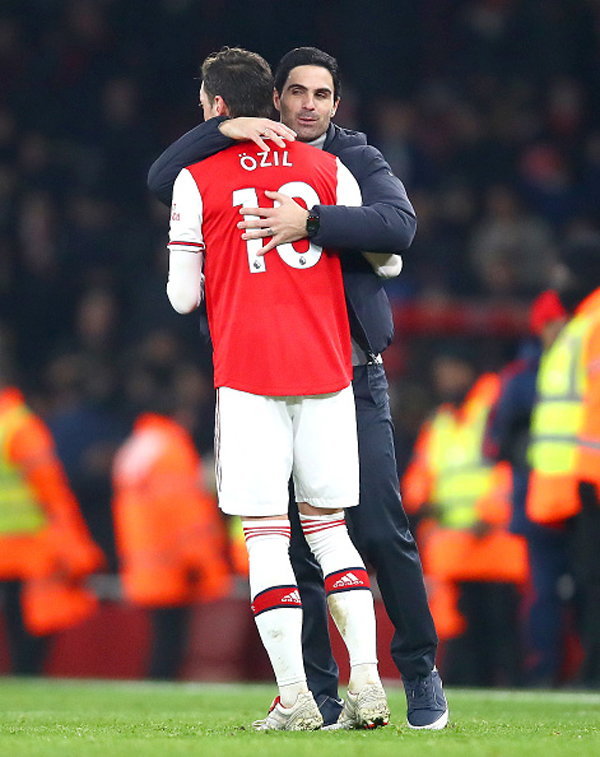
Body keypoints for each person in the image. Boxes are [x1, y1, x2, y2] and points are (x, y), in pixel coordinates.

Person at [148, 45, 447, 731]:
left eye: (322, 94)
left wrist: (309, 223)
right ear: (274, 99)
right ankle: (331, 688)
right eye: (297, 93)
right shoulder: (296, 162)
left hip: (329, 370)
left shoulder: (350, 158)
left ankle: (408, 674)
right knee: (318, 536)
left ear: (337, 103)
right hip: (318, 373)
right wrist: (224, 129)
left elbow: (399, 228)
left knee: (360, 530)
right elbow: (391, 263)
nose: (309, 105)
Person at [403, 352, 528, 687]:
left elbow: (509, 465)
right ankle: (479, 685)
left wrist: (490, 513)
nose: (445, 379)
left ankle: (512, 684)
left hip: (494, 540)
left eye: (450, 370)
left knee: (501, 626)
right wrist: (418, 502)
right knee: (463, 632)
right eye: (440, 372)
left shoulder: (493, 408)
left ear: (467, 370)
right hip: (454, 549)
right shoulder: (440, 422)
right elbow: (421, 474)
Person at [112, 367, 232, 679]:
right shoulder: (172, 448)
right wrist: (198, 559)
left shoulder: (137, 445)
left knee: (161, 637)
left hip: (143, 558)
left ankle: (156, 685)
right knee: (170, 641)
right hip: (173, 562)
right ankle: (159, 687)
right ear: (180, 414)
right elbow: (183, 512)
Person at [485, 291, 569, 685]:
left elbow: (496, 443)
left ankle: (560, 671)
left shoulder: (520, 377)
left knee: (555, 589)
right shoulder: (524, 377)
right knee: (546, 591)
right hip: (544, 499)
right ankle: (547, 672)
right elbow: (495, 443)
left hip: (556, 495)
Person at [527, 237, 600, 685]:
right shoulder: (582, 323)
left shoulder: (591, 323)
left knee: (592, 580)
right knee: (586, 580)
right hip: (578, 479)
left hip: (589, 475)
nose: (558, 281)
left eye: (564, 271)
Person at [0, 356, 103, 673]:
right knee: (33, 622)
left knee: (15, 618)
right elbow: (52, 490)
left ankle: (21, 677)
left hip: (10, 545)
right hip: (29, 544)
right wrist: (74, 543)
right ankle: (27, 675)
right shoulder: (20, 426)